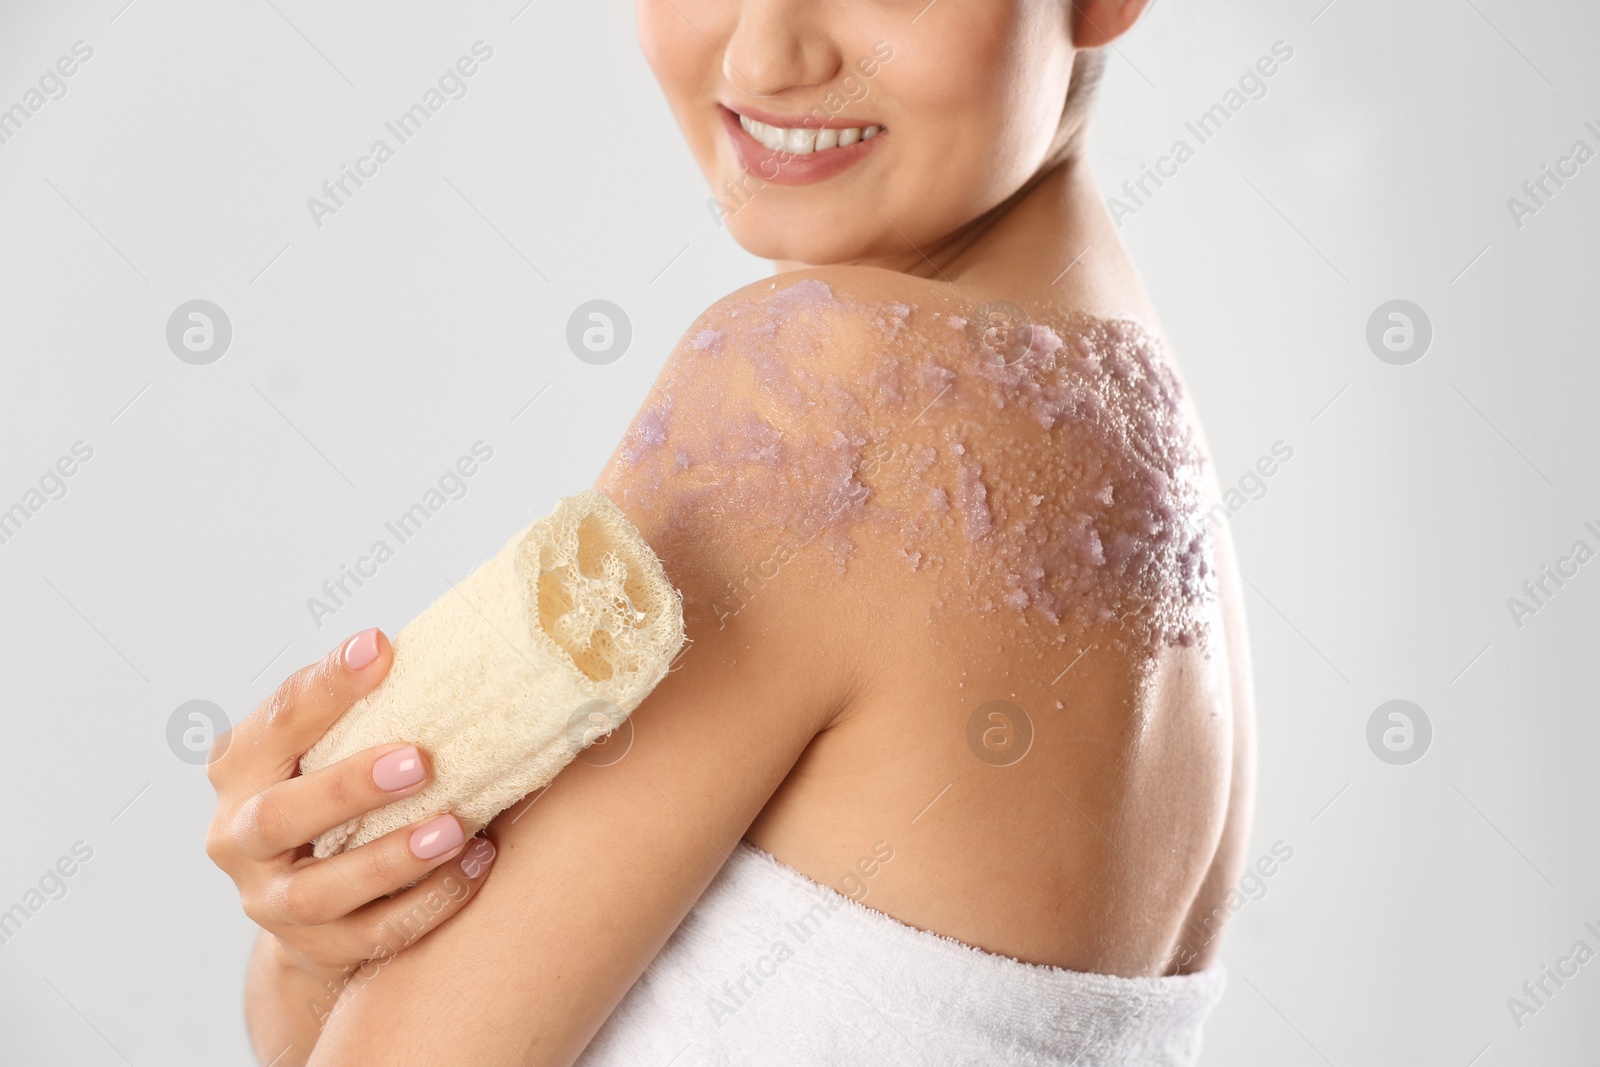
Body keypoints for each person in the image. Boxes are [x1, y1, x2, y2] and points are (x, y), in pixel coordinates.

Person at [207, 1, 1256, 1063]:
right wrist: (321, 927)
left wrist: (307, 958)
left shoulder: (819, 391)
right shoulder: (1140, 439)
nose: (765, 54)